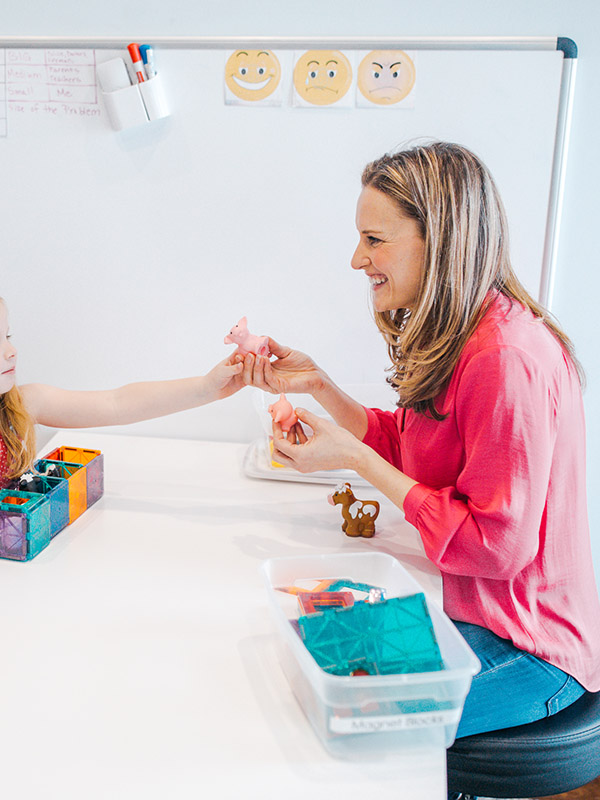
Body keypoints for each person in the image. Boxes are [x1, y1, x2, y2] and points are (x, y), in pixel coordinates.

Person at [239, 141, 600, 741]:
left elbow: (494, 548)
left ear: (440, 241)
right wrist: (320, 386)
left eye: (374, 240)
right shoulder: (467, 334)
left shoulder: (506, 358)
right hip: (473, 613)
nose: (357, 259)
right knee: (299, 659)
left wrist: (354, 458)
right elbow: (413, 447)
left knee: (325, 719)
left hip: (531, 650)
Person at [0, 277, 244, 639]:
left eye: (7, 337)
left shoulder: (18, 407)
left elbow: (116, 403)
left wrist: (208, 387)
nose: (11, 351)